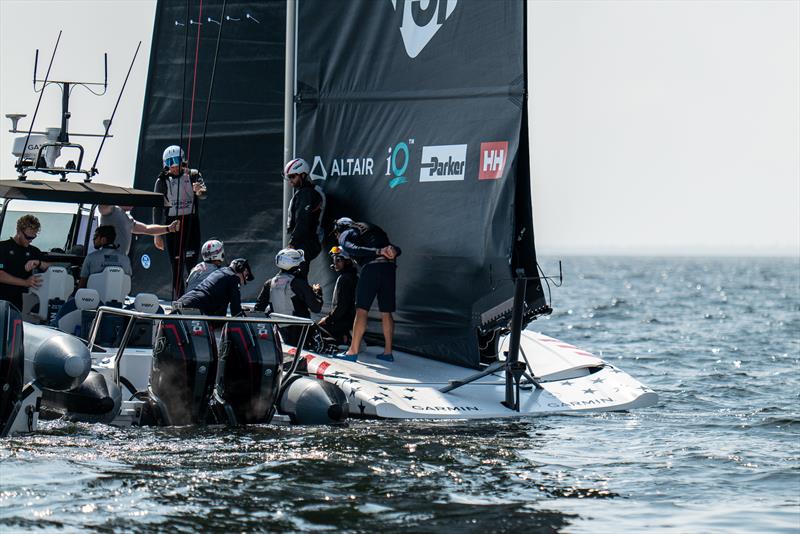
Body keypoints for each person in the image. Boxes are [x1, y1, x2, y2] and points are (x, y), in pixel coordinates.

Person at [332, 217, 401, 362]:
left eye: (336, 233)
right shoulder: (371, 229)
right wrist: (393, 250)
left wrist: (377, 251)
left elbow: (352, 248)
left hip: (371, 268)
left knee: (362, 310)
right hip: (389, 269)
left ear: (340, 228)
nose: (337, 237)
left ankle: (352, 351)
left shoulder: (346, 232)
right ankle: (388, 352)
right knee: (386, 312)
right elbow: (395, 249)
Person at [153, 145, 207, 297]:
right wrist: (157, 234)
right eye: (171, 167)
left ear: (183, 162)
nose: (174, 170)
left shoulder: (194, 175)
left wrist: (198, 190)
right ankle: (180, 299)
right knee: (176, 266)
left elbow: (203, 193)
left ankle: (194, 297)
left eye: (177, 166)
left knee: (192, 265)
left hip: (191, 224)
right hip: (173, 225)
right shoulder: (162, 180)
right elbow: (157, 207)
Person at [254, 248, 323, 346]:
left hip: (280, 334)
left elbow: (258, 309)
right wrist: (318, 293)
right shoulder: (298, 283)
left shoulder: (269, 283)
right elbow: (316, 308)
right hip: (301, 335)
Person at [0, 215, 51, 311]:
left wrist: (39, 263)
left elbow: (53, 268)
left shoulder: (33, 251)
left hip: (22, 303)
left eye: (33, 237)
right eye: (28, 237)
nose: (30, 240)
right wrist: (25, 282)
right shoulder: (2, 248)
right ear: (19, 231)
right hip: (2, 300)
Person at [284, 158, 325, 277]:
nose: (290, 180)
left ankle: (304, 295)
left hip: (306, 242)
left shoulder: (306, 193)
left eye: (292, 176)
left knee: (297, 277)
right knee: (295, 276)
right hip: (305, 241)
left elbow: (303, 220)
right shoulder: (305, 192)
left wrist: (292, 243)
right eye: (288, 177)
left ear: (302, 175)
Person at [175, 258, 254, 317]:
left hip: (183, 301)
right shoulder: (233, 277)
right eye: (246, 275)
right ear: (239, 268)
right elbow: (235, 310)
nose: (244, 281)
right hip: (194, 307)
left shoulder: (221, 271)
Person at [98, 205, 180, 255]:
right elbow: (102, 207)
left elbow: (147, 229)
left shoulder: (128, 218)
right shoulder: (112, 210)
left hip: (121, 260)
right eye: (131, 198)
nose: (134, 203)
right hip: (107, 256)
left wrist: (168, 228)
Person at [317, 246, 358, 346]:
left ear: (348, 262)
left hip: (345, 322)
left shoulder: (345, 279)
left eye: (338, 260)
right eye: (334, 259)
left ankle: (342, 338)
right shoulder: (352, 276)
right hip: (349, 321)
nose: (335, 262)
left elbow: (342, 307)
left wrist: (327, 320)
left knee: (315, 329)